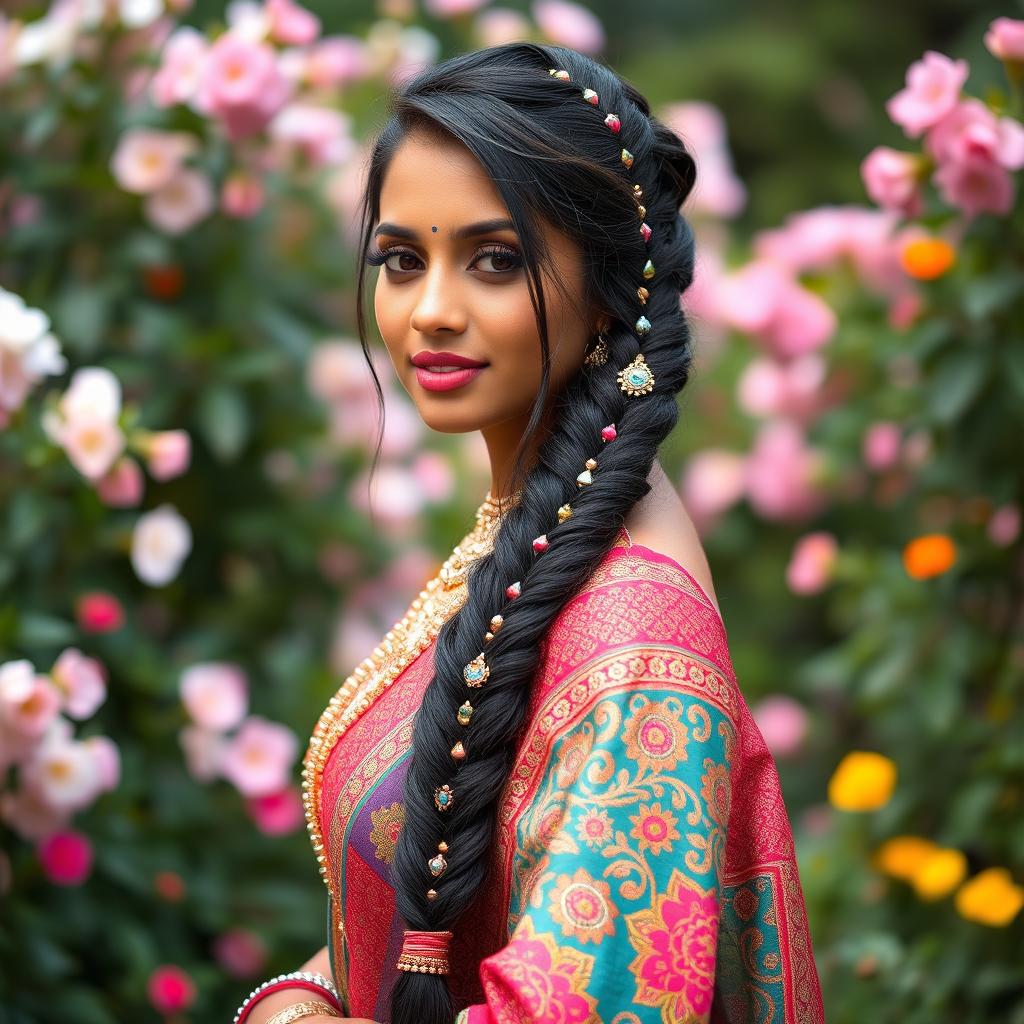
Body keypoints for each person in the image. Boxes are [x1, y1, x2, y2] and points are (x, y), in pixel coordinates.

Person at [233, 40, 825, 1024]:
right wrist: (298, 999)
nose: (429, 311)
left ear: (605, 289)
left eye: (493, 261)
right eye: (400, 260)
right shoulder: (528, 539)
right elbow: (422, 905)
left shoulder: (637, 650)